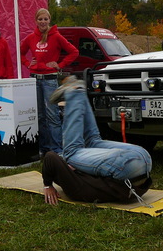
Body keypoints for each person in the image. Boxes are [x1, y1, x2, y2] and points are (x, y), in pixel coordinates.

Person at [42, 76, 152, 205]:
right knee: (71, 152)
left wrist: (49, 184)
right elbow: (50, 157)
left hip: (145, 162)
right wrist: (48, 184)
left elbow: (53, 159)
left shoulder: (83, 185)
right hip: (124, 165)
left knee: (91, 141)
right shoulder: (76, 189)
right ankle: (75, 92)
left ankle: (80, 92)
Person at [20, 8, 78, 156]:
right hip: (35, 80)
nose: (43, 22)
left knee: (52, 116)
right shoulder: (31, 37)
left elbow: (74, 52)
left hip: (50, 80)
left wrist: (60, 65)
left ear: (49, 20)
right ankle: (43, 148)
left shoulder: (56, 36)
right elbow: (20, 52)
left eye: (45, 19)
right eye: (40, 19)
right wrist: (28, 63)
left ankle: (57, 149)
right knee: (39, 116)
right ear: (36, 21)